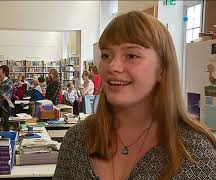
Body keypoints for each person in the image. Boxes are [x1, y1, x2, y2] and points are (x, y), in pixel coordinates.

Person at [54, 11, 216, 179]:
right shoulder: (77, 141)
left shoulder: (195, 154)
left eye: (131, 55)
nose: (113, 66)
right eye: (106, 55)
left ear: (162, 69)